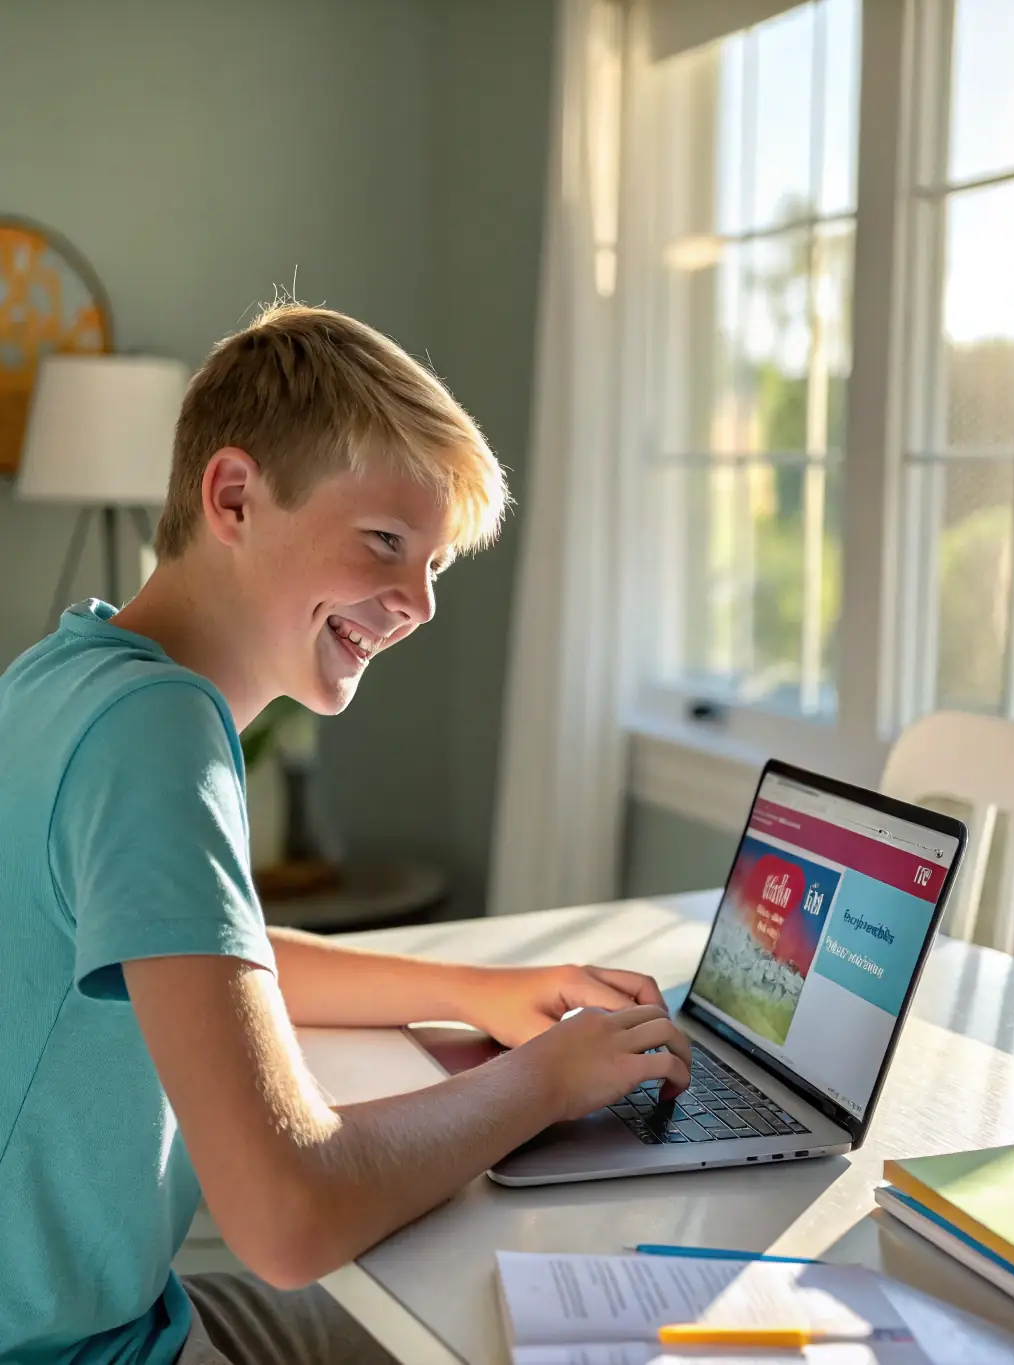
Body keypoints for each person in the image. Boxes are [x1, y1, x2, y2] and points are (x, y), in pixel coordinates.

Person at [0, 304, 692, 1365]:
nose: (413, 601)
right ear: (233, 496)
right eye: (384, 542)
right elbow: (287, 1218)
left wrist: (471, 993)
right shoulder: (156, 731)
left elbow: (192, 955)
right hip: (71, 1351)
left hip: (94, 1322)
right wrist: (547, 1079)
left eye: (433, 567)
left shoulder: (67, 673)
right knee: (542, 1333)